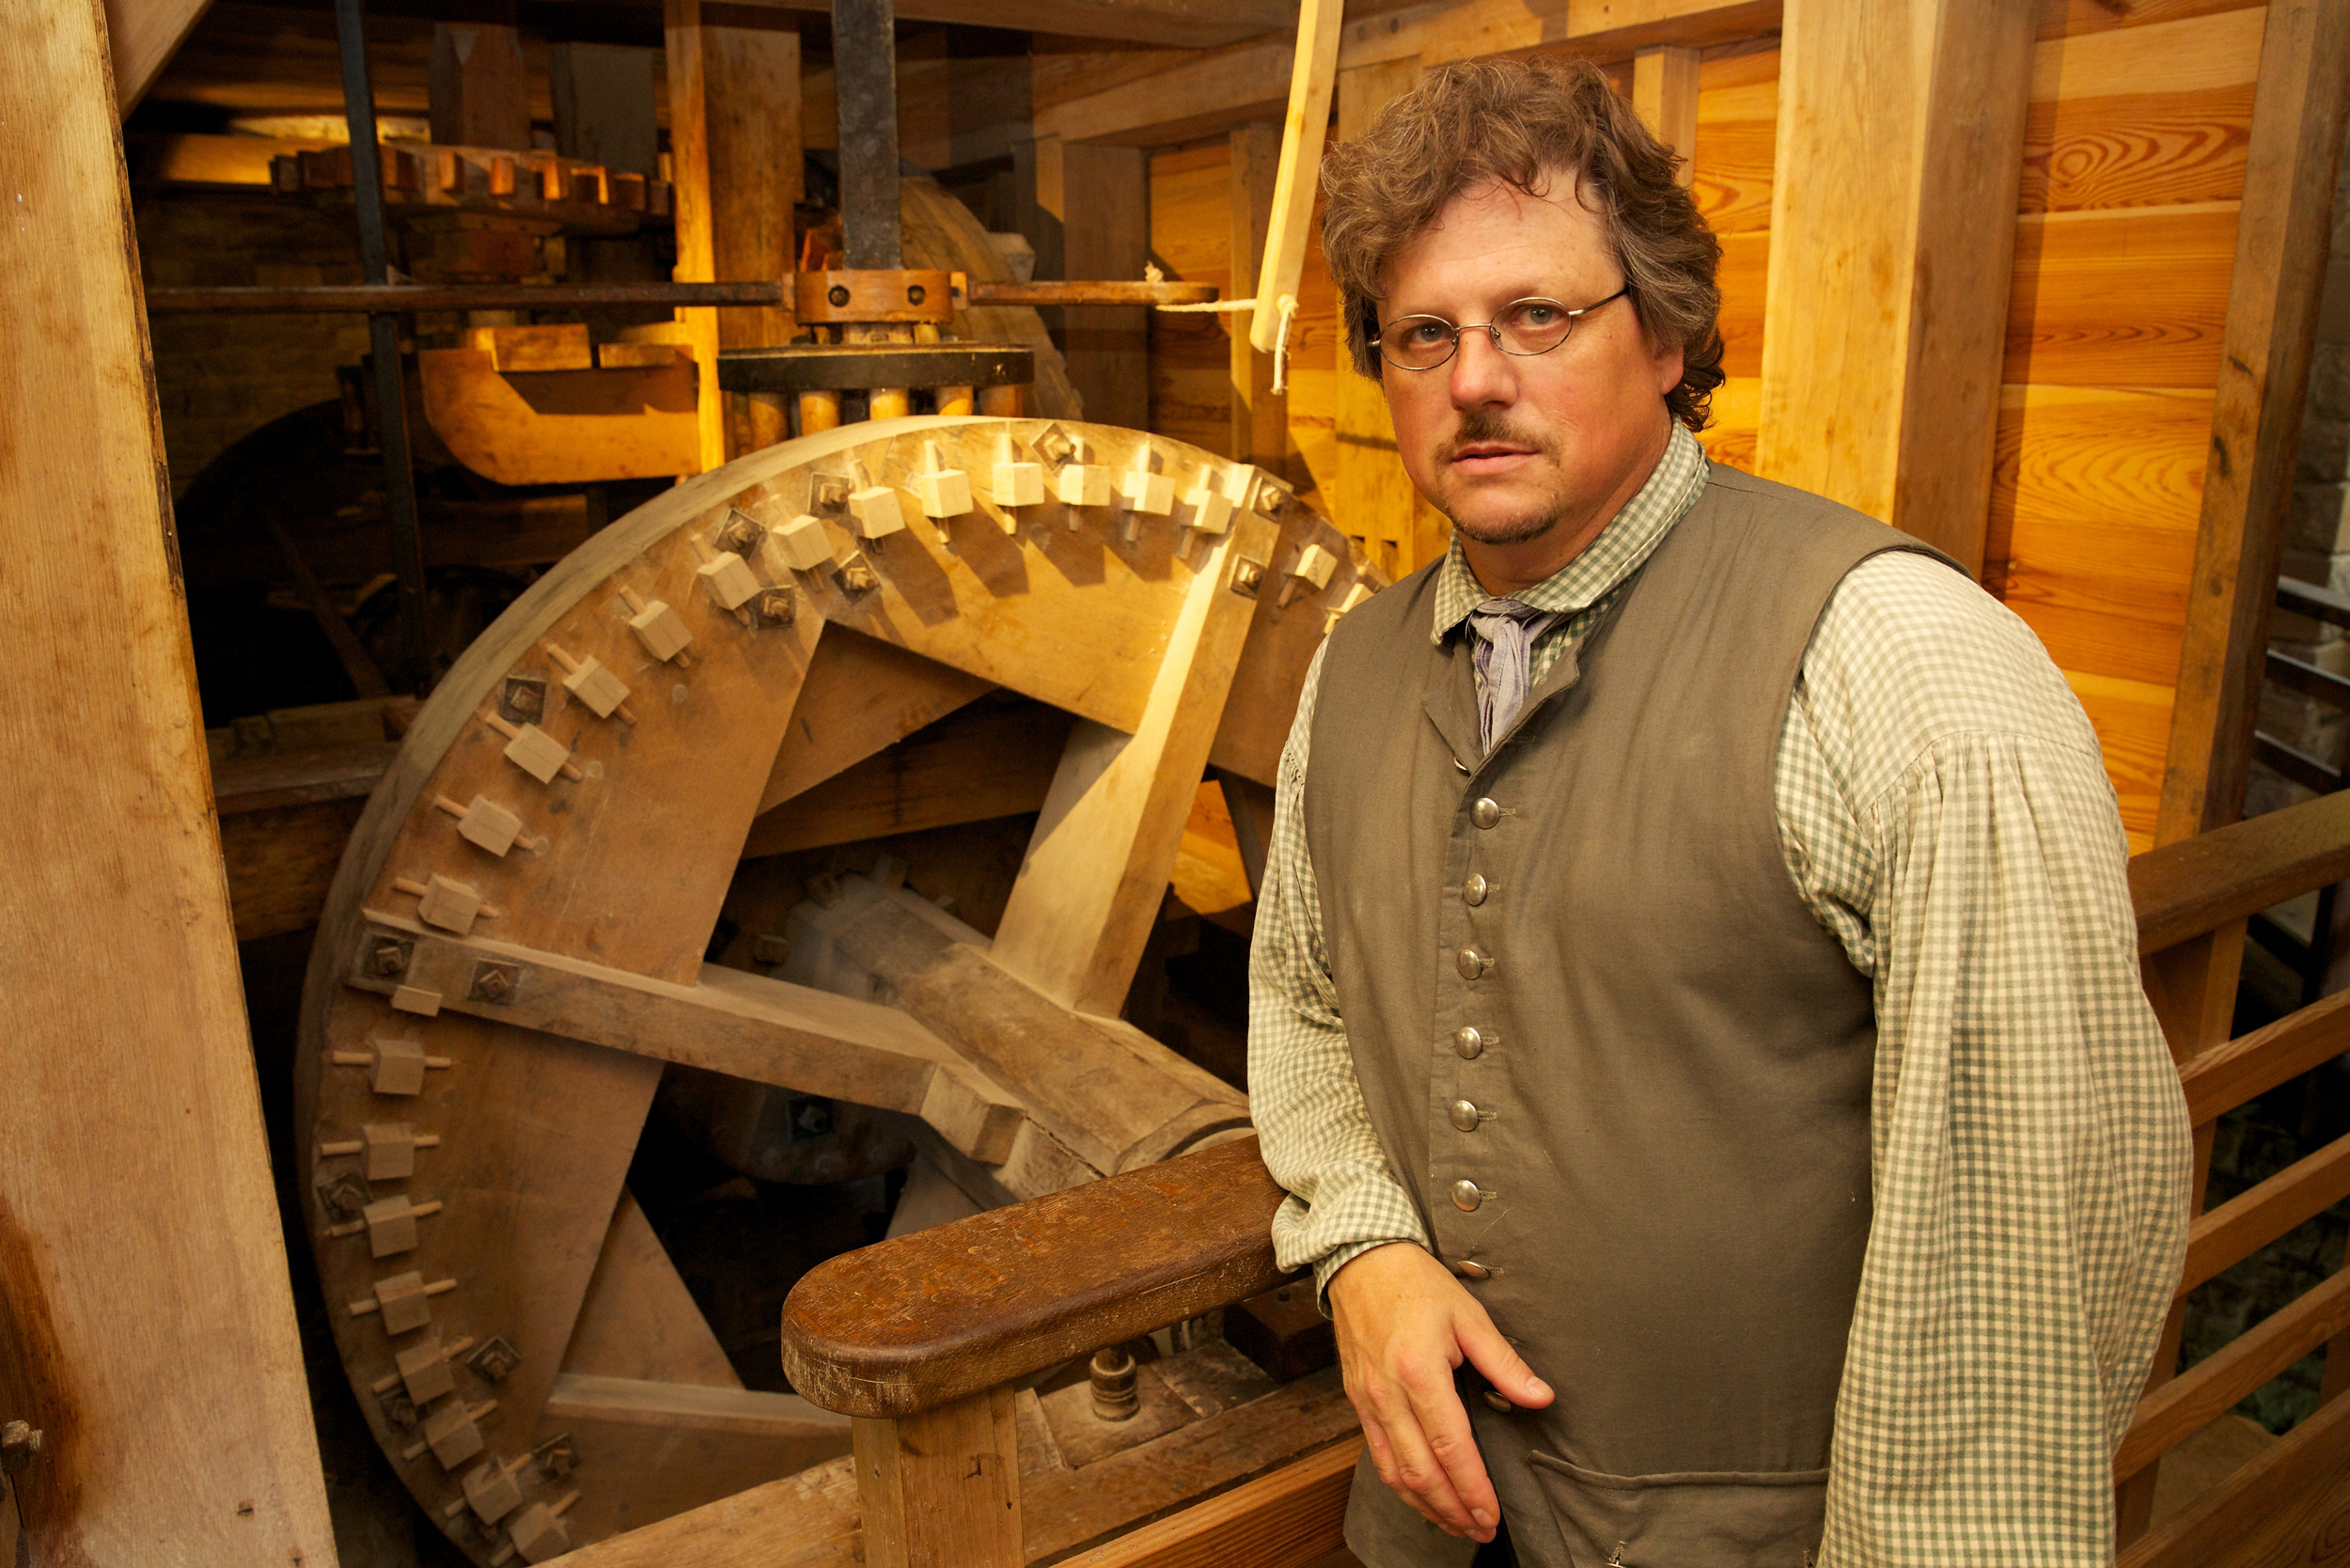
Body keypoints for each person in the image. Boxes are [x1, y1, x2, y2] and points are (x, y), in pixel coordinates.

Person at [1246, 55, 2191, 1568]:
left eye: (1538, 317)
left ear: (1671, 332)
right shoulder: (1351, 672)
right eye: (1425, 333)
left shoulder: (1899, 663)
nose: (1476, 377)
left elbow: (2027, 1229)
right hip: (1424, 1530)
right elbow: (1300, 1001)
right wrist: (1360, 1243)